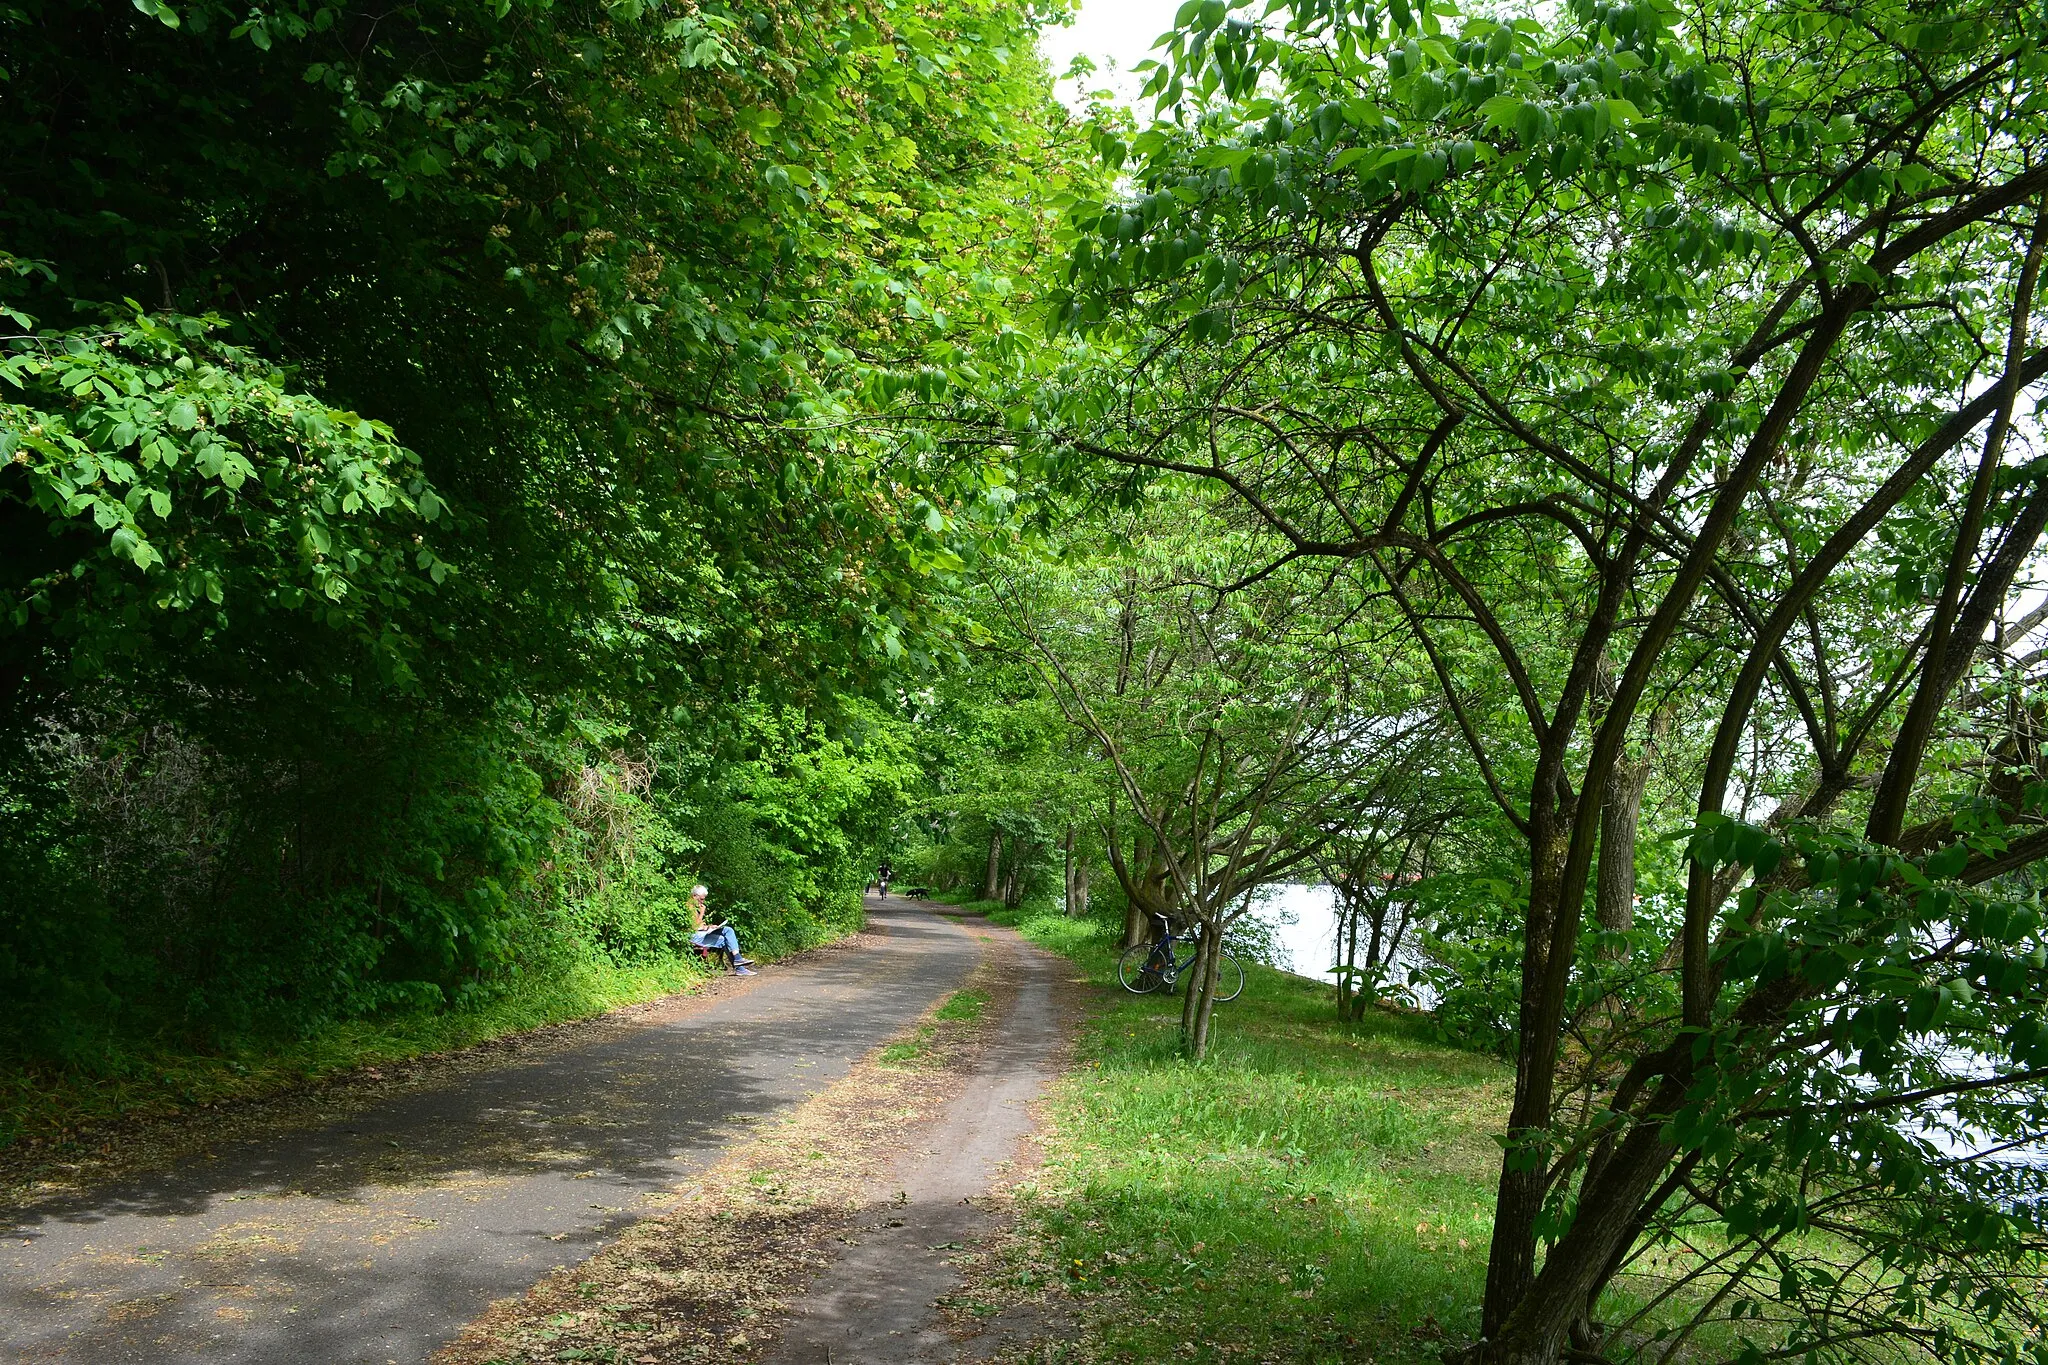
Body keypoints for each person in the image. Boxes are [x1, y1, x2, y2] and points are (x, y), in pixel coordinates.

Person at [688, 884, 755, 975]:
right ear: (694, 896)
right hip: (693, 937)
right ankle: (740, 968)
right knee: (724, 939)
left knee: (728, 930)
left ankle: (738, 960)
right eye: (702, 899)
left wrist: (709, 927)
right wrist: (702, 913)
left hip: (700, 934)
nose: (703, 902)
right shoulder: (689, 907)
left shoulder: (695, 907)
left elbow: (699, 925)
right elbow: (694, 927)